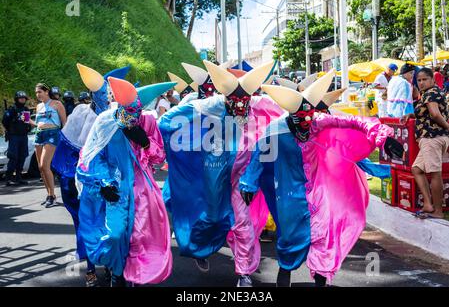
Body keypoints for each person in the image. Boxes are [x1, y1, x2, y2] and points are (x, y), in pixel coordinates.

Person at [240, 70, 402, 287]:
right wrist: (249, 183)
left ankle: (321, 280)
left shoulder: (319, 121)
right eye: (301, 120)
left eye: (310, 118)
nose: (307, 124)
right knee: (290, 240)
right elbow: (259, 156)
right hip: (289, 192)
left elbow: (356, 122)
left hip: (320, 189)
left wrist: (384, 138)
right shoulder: (275, 131)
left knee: (325, 234)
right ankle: (285, 273)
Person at [159, 60, 284, 287]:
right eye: (232, 102)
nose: (238, 107)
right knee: (213, 216)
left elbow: (287, 117)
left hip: (243, 176)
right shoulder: (210, 104)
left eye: (243, 102)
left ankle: (244, 273)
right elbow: (167, 120)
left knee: (242, 223)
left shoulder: (260, 104)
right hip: (214, 169)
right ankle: (199, 248)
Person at [76, 77, 175, 287]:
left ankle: (130, 274)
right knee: (115, 234)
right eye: (127, 113)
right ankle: (116, 269)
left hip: (142, 189)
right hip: (116, 187)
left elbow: (159, 158)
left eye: (135, 114)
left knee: (140, 236)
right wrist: (104, 183)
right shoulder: (105, 121)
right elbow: (93, 155)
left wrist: (146, 142)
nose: (132, 119)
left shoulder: (148, 121)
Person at [52, 63, 130, 286]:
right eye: (104, 93)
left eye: (110, 94)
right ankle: (90, 266)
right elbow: (67, 150)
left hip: (109, 183)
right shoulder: (80, 113)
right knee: (84, 223)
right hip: (81, 182)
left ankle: (111, 263)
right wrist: (73, 179)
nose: (107, 98)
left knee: (109, 224)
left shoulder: (116, 116)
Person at [402, 68, 449, 220]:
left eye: (424, 79)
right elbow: (427, 112)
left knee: (435, 174)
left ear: (432, 80)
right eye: (419, 80)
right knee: (416, 169)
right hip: (429, 139)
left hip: (432, 138)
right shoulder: (432, 93)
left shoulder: (430, 93)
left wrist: (448, 127)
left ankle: (438, 211)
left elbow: (435, 114)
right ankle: (428, 204)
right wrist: (411, 114)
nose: (421, 83)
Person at [29, 83, 66, 208]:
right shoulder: (38, 106)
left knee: (45, 165)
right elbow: (38, 123)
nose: (37, 94)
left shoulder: (57, 104)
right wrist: (29, 121)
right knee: (40, 167)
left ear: (46, 91)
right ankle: (49, 194)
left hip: (52, 133)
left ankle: (52, 195)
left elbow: (64, 122)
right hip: (39, 134)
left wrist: (65, 139)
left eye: (39, 92)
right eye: (36, 92)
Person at [2, 91, 32, 186]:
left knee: (22, 156)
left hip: (23, 136)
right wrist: (10, 130)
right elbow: (4, 121)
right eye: (20, 98)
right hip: (14, 136)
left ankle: (18, 178)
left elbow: (27, 122)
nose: (22, 100)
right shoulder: (12, 109)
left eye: (24, 98)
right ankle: (9, 178)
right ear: (16, 99)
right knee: (13, 157)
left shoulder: (26, 109)